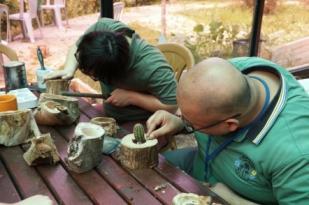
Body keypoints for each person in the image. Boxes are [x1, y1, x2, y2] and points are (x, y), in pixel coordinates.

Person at [146, 57, 309, 204]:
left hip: (240, 197)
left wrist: (232, 199)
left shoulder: (296, 154)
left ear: (230, 125)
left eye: (191, 123)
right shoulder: (232, 70)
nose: (181, 117)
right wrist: (180, 122)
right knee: (145, 169)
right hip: (201, 163)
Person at [45, 18, 177, 121]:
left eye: (96, 77)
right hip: (109, 113)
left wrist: (132, 97)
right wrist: (69, 68)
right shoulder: (103, 29)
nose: (94, 80)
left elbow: (173, 105)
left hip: (143, 122)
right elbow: (77, 46)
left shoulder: (154, 68)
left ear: (115, 74)